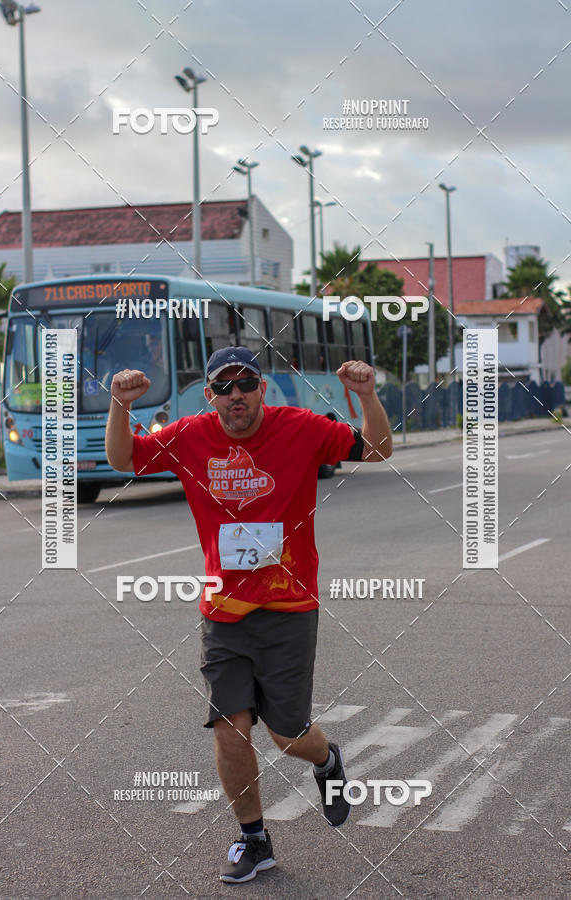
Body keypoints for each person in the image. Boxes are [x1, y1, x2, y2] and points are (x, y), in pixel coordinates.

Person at [105, 346, 393, 885]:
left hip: (289, 607)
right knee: (229, 728)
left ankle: (327, 760)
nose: (235, 394)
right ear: (209, 395)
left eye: (245, 384)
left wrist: (368, 396)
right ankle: (254, 839)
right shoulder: (190, 436)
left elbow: (376, 448)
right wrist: (120, 406)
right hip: (224, 612)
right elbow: (124, 459)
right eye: (224, 386)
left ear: (262, 389)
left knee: (287, 735)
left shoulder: (300, 427)